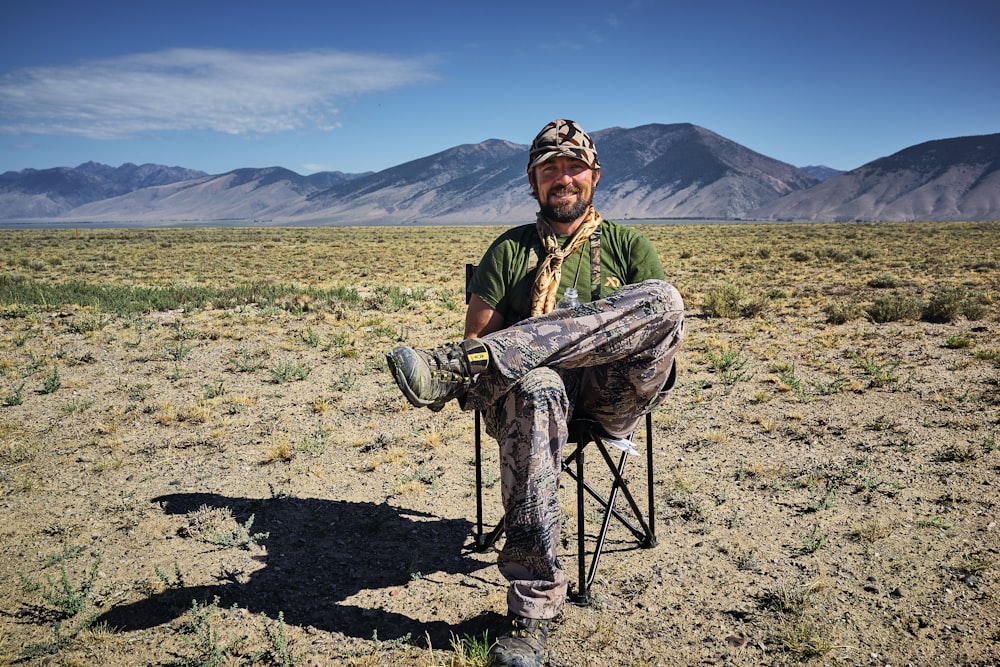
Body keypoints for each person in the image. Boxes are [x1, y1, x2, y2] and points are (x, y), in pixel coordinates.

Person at [386, 119, 684, 667]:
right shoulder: (511, 250)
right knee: (539, 383)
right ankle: (530, 617)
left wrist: (521, 346)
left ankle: (452, 367)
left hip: (610, 395)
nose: (562, 178)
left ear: (593, 177)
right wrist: (510, 358)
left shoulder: (627, 245)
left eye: (574, 168)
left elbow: (654, 327)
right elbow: (479, 328)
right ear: (533, 181)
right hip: (526, 403)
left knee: (664, 299)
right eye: (550, 169)